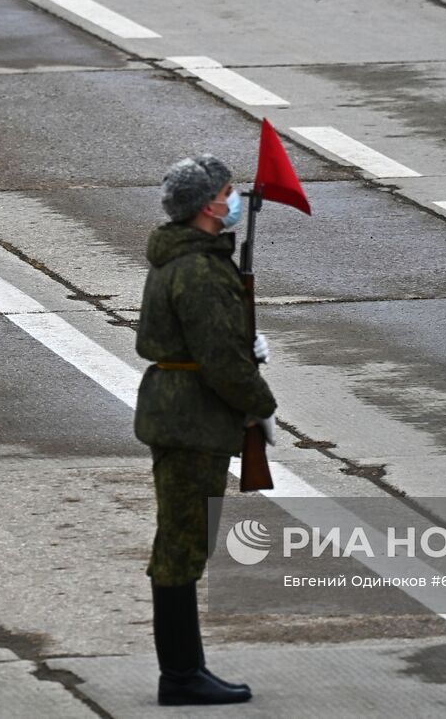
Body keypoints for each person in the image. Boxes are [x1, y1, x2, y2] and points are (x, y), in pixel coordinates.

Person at [134, 154, 276, 706]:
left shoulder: (184, 259)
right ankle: (181, 674)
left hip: (179, 410)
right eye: (227, 191)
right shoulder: (198, 270)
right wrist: (258, 403)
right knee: (182, 546)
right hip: (193, 417)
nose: (233, 198)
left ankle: (185, 669)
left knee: (183, 540)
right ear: (207, 206)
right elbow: (218, 358)